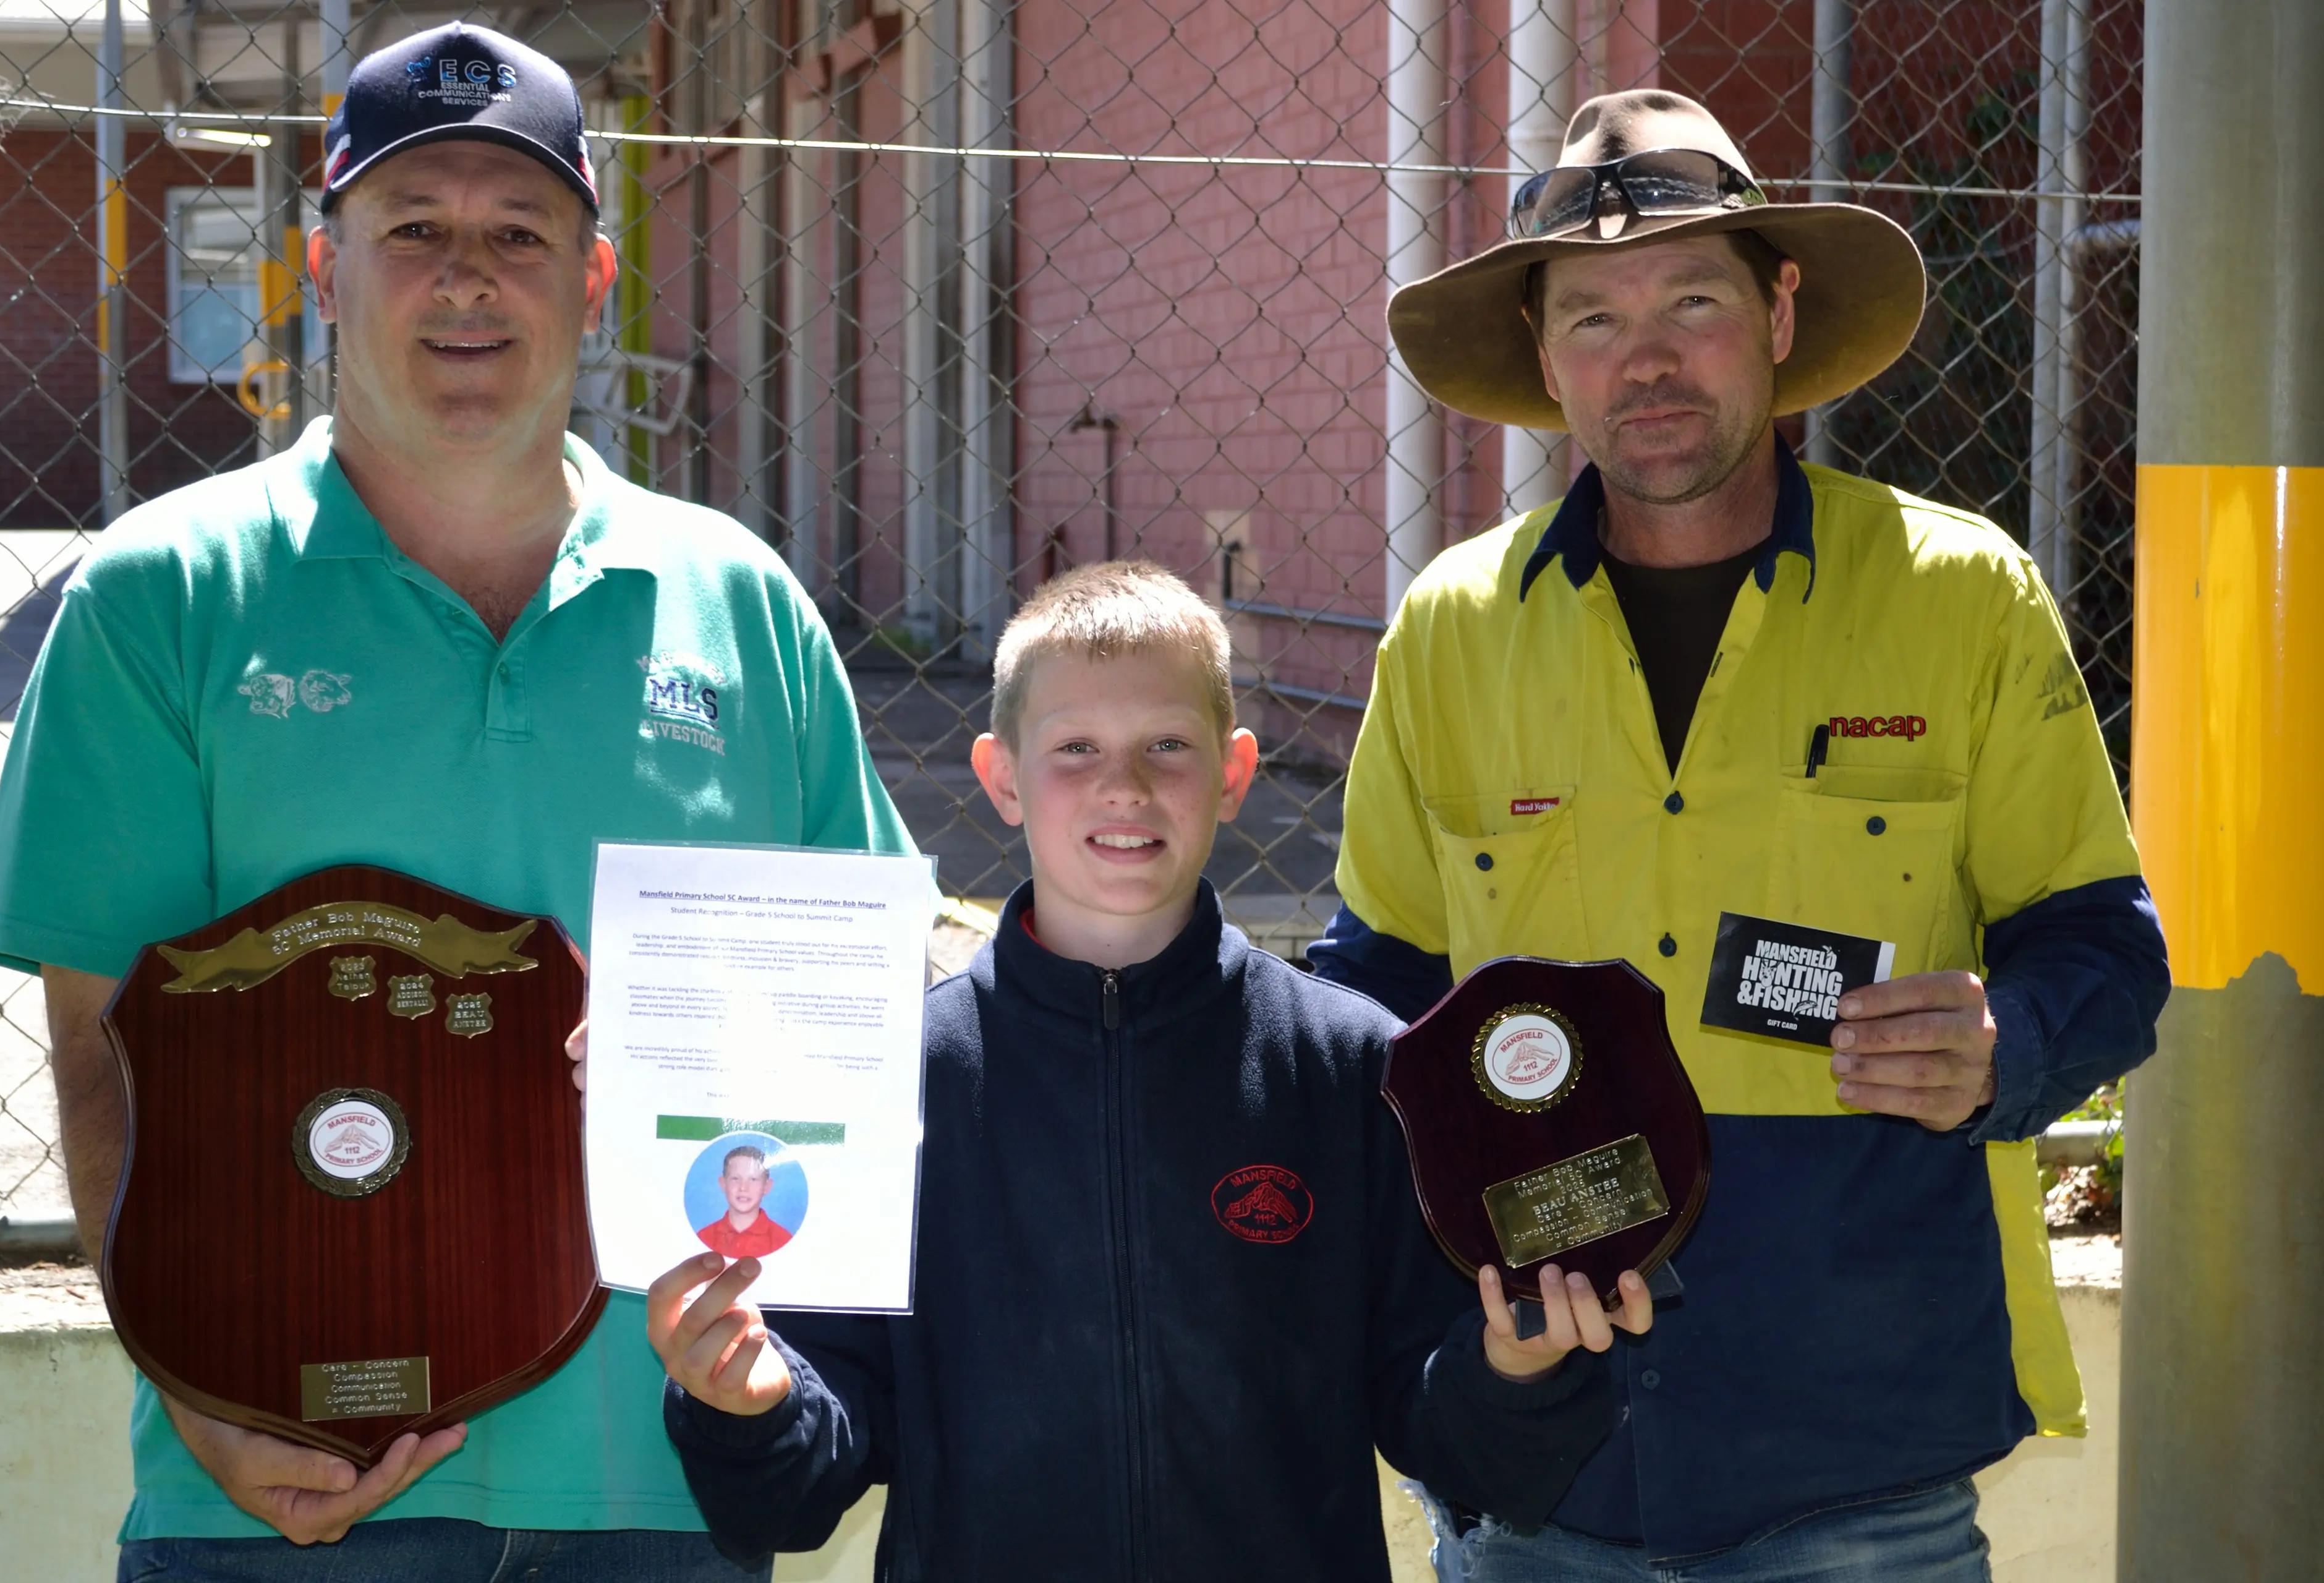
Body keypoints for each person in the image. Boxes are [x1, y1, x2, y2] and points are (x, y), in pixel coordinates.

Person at [0, 22, 909, 1580]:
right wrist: (200, 1398)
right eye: (413, 230)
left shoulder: (737, 601)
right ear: (322, 270)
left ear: (592, 279)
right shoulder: (165, 595)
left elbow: (845, 1020)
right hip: (279, 1472)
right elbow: (98, 1040)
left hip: (655, 1483)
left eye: (517, 233)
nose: (466, 276)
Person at [1311, 90, 2169, 1580]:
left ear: (1777, 313)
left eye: (1691, 300)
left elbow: (2103, 944)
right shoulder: (1451, 628)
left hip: (1859, 1447)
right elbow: (1370, 990)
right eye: (1590, 318)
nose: (1642, 358)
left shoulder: (1956, 595)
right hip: (1541, 1456)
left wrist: (2003, 1038)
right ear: (1540, 356)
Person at [629, 562, 1653, 1579]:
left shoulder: (1355, 1068)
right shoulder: (893, 1082)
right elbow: (800, 1489)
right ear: (1000, 779)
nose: (1125, 785)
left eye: (1168, 745)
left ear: (1234, 772)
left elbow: (1452, 1438)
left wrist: (1518, 1372)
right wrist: (747, 1406)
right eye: (1076, 748)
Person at [697, 1146, 794, 1259]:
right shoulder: (703, 1237)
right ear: (723, 1184)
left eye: (753, 1179)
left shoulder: (784, 1240)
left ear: (766, 1186)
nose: (743, 1188)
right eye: (735, 1178)